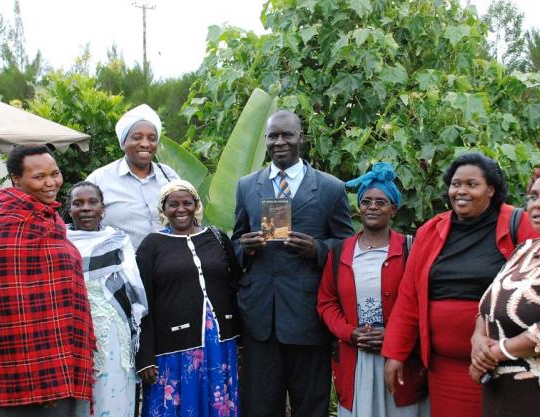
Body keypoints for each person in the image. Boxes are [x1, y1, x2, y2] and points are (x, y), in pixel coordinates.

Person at [382, 153, 539, 417]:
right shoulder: (431, 230)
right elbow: (409, 297)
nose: (461, 191)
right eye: (456, 184)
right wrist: (395, 353)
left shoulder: (519, 224)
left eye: (471, 184)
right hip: (444, 370)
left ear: (491, 189)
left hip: (503, 365)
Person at [232, 110, 355, 417]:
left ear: (302, 138)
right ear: (265, 140)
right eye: (273, 136)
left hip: (307, 315)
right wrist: (243, 249)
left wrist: (318, 249)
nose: (280, 142)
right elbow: (233, 243)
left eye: (287, 135)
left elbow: (347, 246)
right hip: (260, 317)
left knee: (310, 405)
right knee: (259, 407)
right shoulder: (247, 185)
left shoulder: (330, 187)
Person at [0, 145, 95, 417]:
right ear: (16, 179)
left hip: (55, 357)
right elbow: (6, 305)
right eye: (39, 176)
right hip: (14, 363)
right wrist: (42, 375)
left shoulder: (50, 218)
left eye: (55, 174)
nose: (51, 183)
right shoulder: (4, 226)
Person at [317, 162, 429, 417]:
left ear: (394, 208)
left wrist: (394, 336)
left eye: (381, 202)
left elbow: (423, 302)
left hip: (401, 356)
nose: (373, 207)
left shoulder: (411, 249)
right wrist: (350, 333)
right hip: (355, 357)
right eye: (366, 201)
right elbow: (326, 302)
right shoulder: (339, 252)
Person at [470, 165, 540, 417]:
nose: (538, 204)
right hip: (500, 394)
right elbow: (487, 307)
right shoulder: (524, 250)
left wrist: (494, 353)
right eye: (533, 196)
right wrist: (477, 341)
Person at [135, 179, 241, 417]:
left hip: (220, 341)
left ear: (196, 205)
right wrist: (145, 356)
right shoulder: (152, 245)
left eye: (187, 203)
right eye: (173, 204)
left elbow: (235, 284)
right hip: (172, 347)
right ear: (164, 209)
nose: (181, 209)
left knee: (218, 400)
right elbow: (142, 302)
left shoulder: (216, 238)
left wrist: (242, 337)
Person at [65, 181, 149, 417]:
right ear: (69, 209)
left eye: (93, 202)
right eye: (78, 203)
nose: (86, 208)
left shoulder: (119, 240)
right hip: (70, 330)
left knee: (112, 391)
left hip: (114, 333)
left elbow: (134, 288)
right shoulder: (58, 241)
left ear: (103, 208)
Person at [86, 103, 180, 249]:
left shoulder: (169, 176)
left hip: (168, 264)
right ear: (123, 143)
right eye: (137, 137)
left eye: (152, 138)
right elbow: (83, 226)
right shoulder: (99, 180)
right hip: (121, 267)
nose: (145, 144)